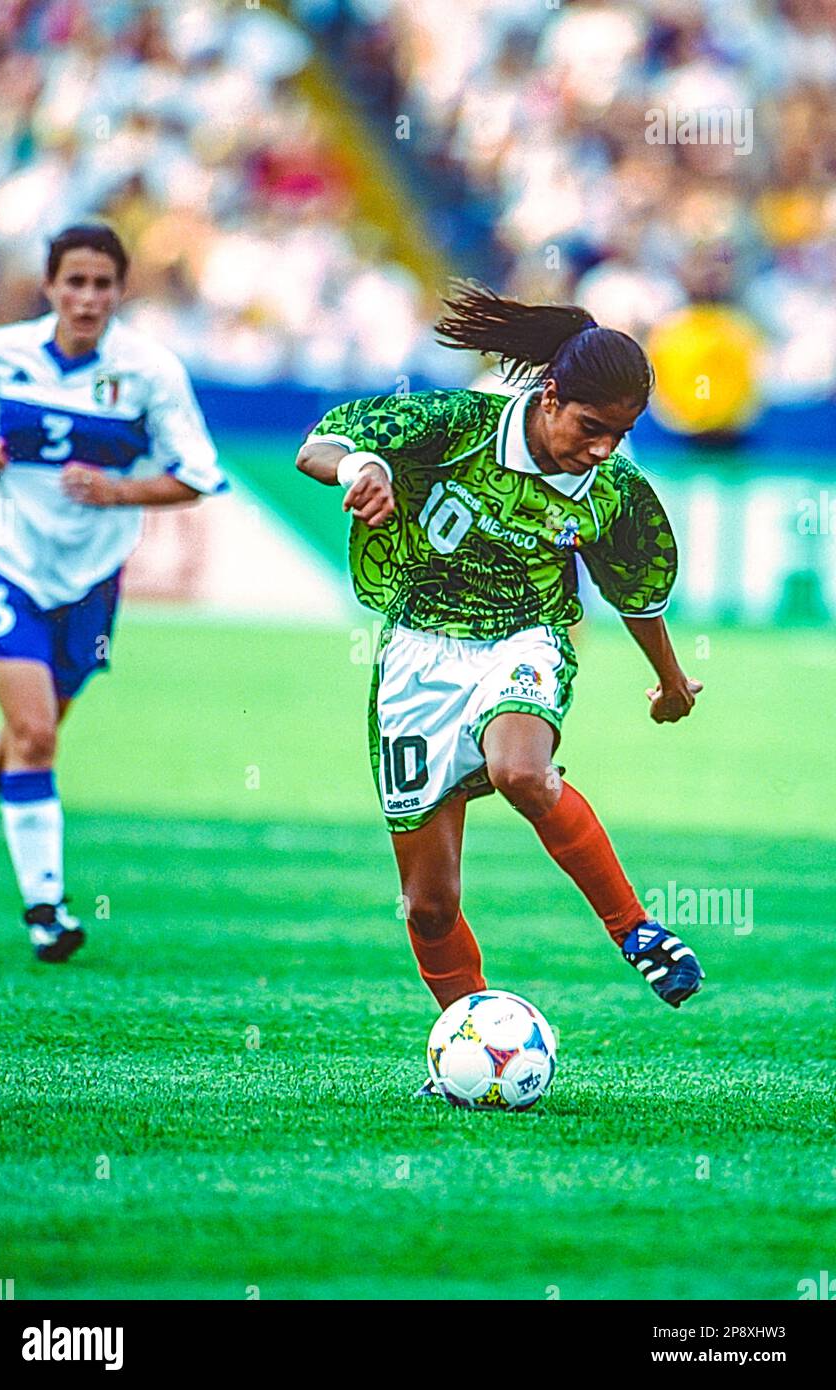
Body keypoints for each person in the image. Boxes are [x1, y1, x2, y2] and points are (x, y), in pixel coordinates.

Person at [296, 282, 705, 1091]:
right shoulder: (455, 427)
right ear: (550, 395)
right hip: (416, 660)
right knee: (429, 907)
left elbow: (639, 594)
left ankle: (638, 933)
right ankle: (471, 1041)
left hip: (526, 640)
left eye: (619, 436)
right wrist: (363, 471)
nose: (601, 450)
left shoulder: (612, 491)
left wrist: (670, 682)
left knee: (522, 770)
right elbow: (324, 442)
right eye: (591, 428)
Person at [0, 224, 227, 961]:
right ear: (49, 286)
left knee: (32, 734)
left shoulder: (149, 372)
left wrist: (118, 493)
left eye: (102, 284)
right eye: (73, 282)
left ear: (121, 290)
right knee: (38, 735)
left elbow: (198, 476)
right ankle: (46, 911)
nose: (87, 298)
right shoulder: (0, 356)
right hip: (3, 557)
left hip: (89, 581)